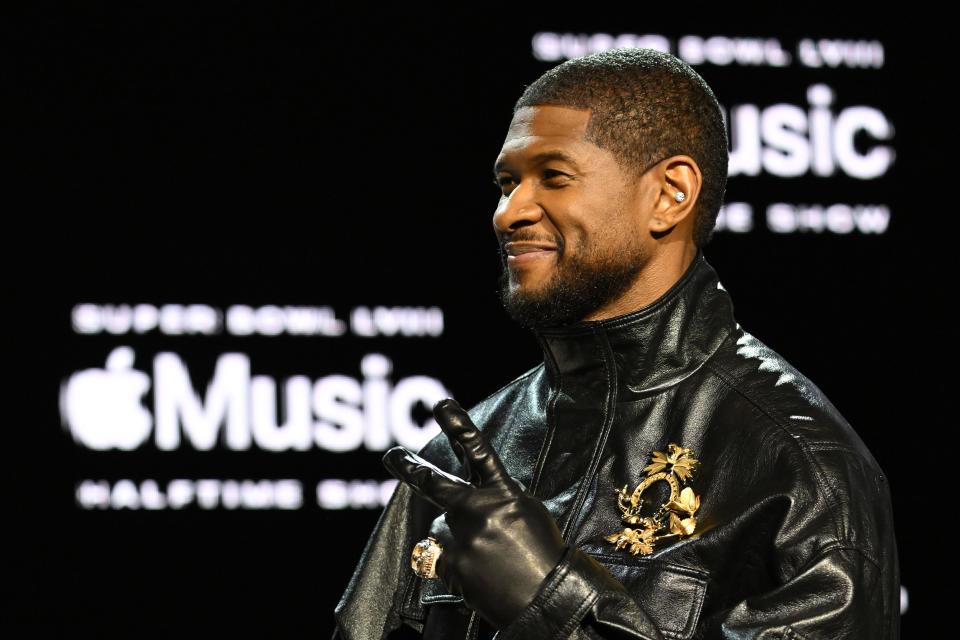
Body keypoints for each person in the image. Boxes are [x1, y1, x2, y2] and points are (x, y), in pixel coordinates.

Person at [331, 48, 899, 640]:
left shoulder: (801, 471)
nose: (508, 212)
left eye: (553, 176)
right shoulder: (460, 456)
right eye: (506, 182)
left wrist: (551, 603)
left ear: (669, 195)